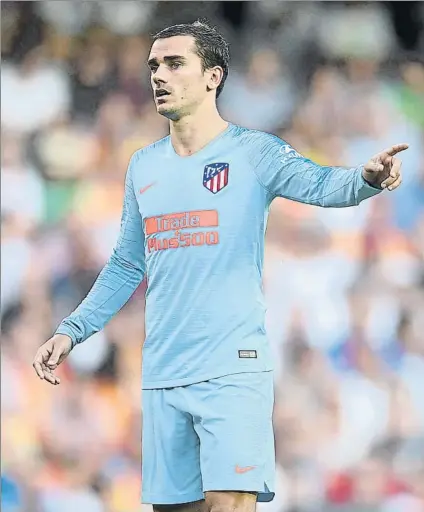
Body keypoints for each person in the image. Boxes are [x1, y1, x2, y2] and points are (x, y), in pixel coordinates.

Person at [33, 20, 408, 512]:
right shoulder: (143, 165)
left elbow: (318, 184)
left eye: (174, 63)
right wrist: (73, 329)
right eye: (153, 66)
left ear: (213, 77)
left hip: (232, 366)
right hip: (164, 370)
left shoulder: (253, 152)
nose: (159, 76)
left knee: (229, 505)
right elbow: (127, 263)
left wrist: (366, 178)